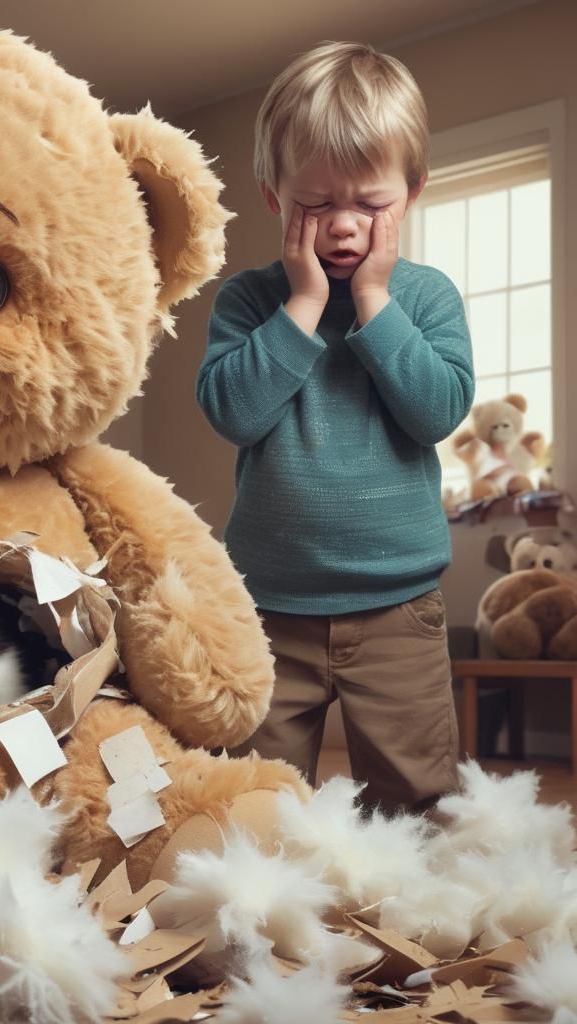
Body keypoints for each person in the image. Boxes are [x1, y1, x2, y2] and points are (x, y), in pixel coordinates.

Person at [196, 40, 474, 813]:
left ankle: (417, 926)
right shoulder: (251, 303)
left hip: (399, 609)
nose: (344, 228)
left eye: (370, 205)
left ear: (412, 192)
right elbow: (233, 412)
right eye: (315, 206)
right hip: (270, 608)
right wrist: (306, 306)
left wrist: (376, 304)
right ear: (273, 198)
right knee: (256, 801)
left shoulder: (427, 298)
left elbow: (438, 410)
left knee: (421, 801)